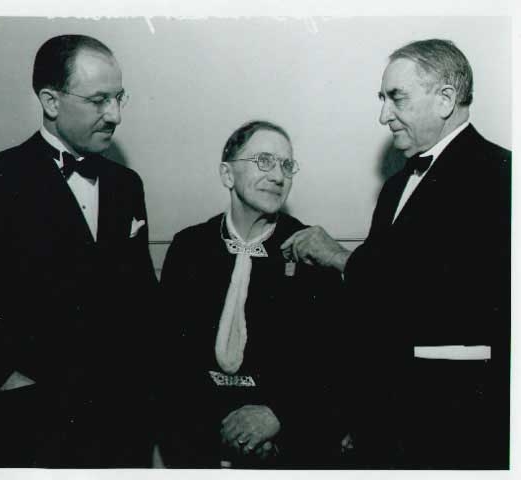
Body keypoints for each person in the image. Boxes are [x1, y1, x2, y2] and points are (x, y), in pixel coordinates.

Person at [281, 39, 511, 468]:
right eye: (382, 99)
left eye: (396, 98)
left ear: (445, 99)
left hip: (459, 424)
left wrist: (340, 258)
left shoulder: (502, 175)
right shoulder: (395, 187)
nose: (383, 116)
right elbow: (373, 309)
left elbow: (445, 293)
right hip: (386, 423)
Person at [0, 34, 158, 467]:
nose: (115, 115)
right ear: (51, 101)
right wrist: (2, 383)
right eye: (98, 100)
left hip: (121, 426)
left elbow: (141, 296)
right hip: (28, 431)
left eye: (118, 98)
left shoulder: (126, 186)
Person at [157, 120, 347, 468]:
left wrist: (280, 419)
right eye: (263, 161)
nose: (278, 175)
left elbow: (335, 365)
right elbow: (169, 362)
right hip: (197, 449)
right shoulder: (189, 248)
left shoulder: (312, 250)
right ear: (227, 174)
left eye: (286, 165)